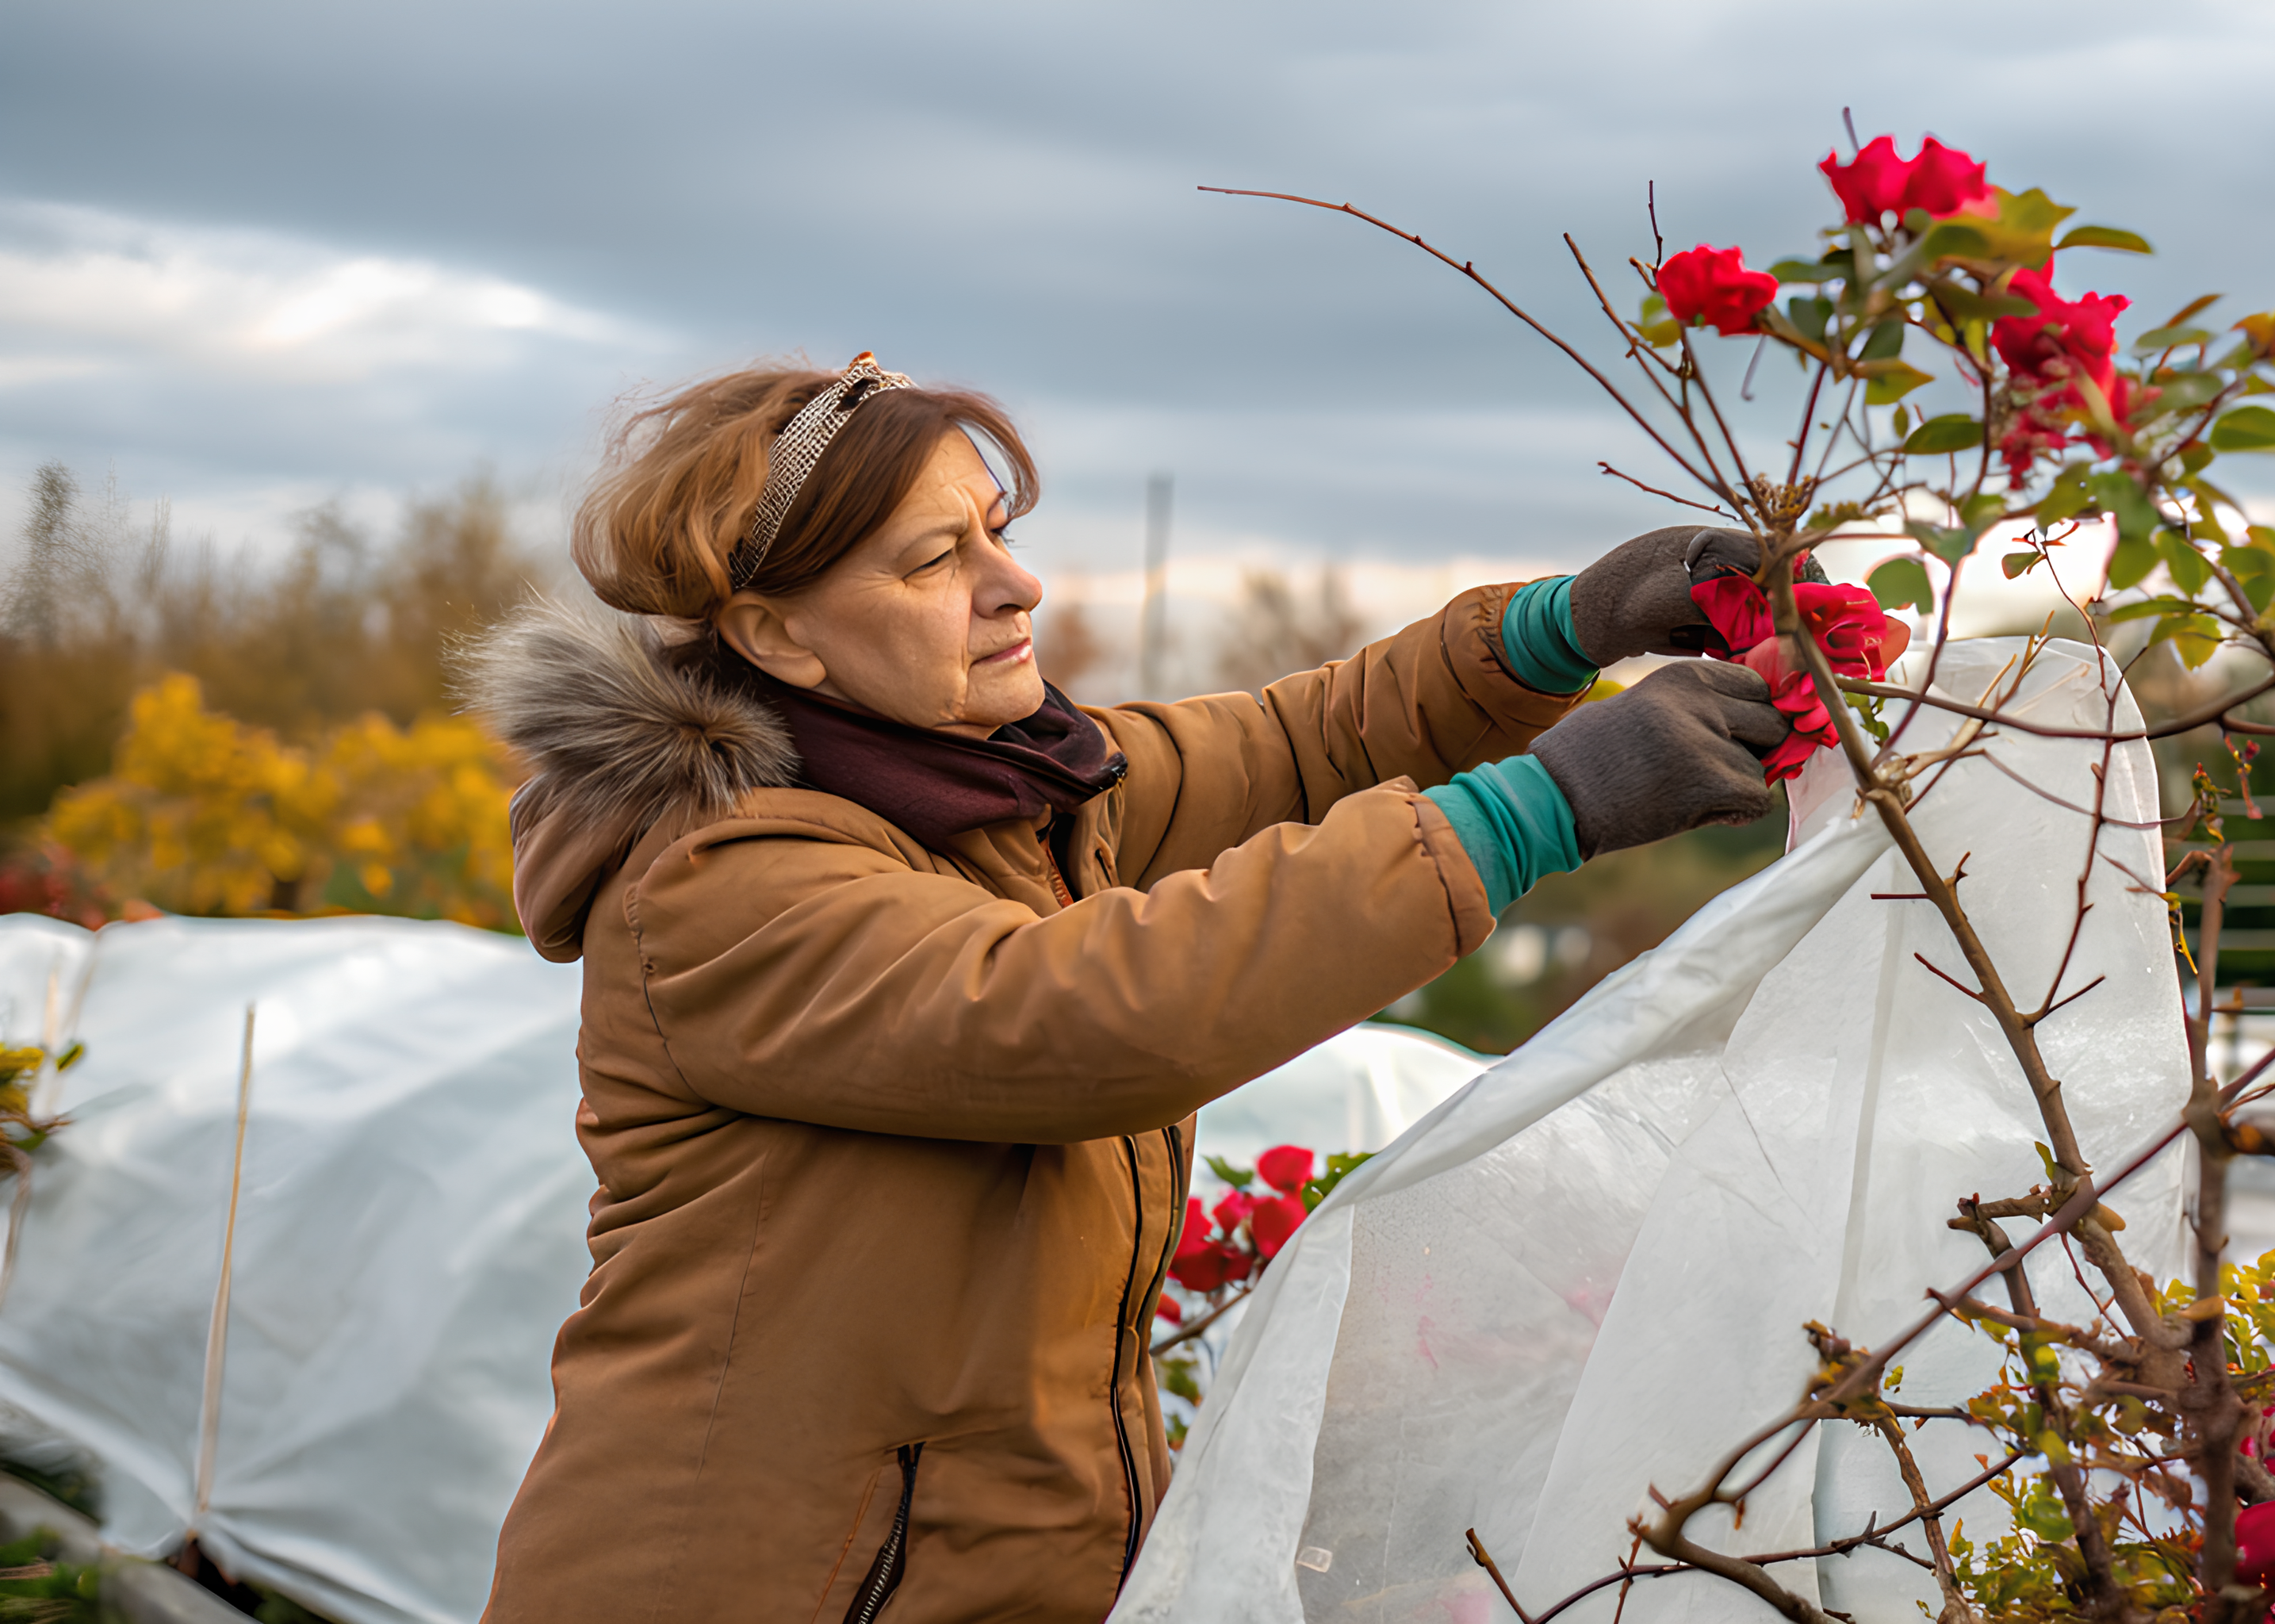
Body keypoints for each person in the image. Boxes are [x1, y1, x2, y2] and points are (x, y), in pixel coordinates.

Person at [465, 353, 1795, 1621]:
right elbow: (1087, 1016)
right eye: (938, 561)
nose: (1016, 584)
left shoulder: (1004, 793)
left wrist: (1554, 631)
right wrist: (1543, 808)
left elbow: (1294, 744)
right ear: (778, 636)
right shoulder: (718, 887)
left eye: (994, 528)